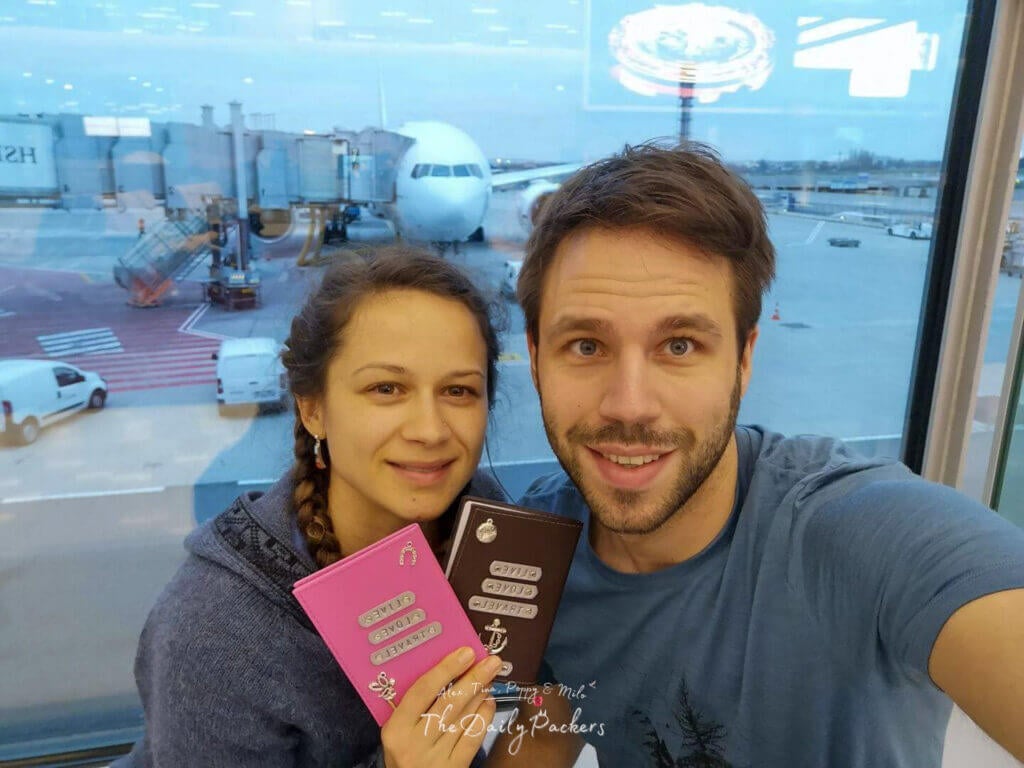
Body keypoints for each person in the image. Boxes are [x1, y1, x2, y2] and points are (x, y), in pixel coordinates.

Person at [486, 143, 1024, 766]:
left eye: (680, 346)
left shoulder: (855, 535)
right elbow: (542, 737)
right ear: (534, 356)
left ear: (743, 359)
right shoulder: (538, 554)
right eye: (585, 346)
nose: (629, 405)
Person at [116, 246, 508, 768]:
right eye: (386, 388)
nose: (430, 430)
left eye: (458, 390)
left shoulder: (487, 522)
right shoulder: (218, 632)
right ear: (313, 408)